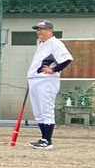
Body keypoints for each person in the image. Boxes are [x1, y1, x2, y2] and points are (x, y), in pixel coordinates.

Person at [27, 20, 73, 150]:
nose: (39, 32)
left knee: (46, 109)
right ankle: (43, 138)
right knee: (38, 112)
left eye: (42, 29)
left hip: (46, 81)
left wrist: (54, 69)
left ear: (50, 31)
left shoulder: (55, 43)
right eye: (38, 29)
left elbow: (67, 59)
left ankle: (47, 141)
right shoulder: (42, 44)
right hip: (35, 80)